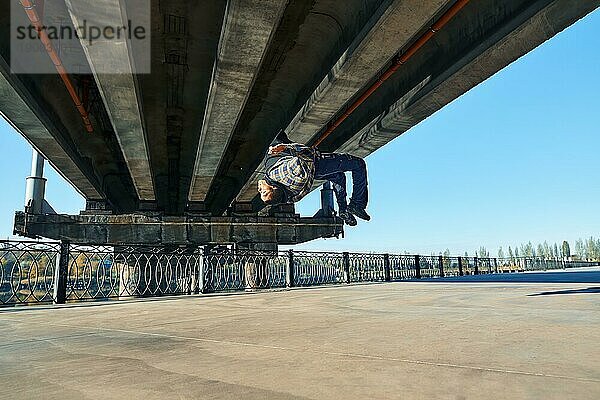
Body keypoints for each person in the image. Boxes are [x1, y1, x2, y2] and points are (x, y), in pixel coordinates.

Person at [257, 131, 370, 226]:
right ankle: (357, 204)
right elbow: (308, 154)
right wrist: (286, 148)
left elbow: (302, 191)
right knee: (358, 164)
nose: (259, 189)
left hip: (315, 173)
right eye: (263, 191)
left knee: (338, 176)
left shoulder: (288, 196)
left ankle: (343, 209)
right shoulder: (285, 173)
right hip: (319, 164)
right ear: (273, 186)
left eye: (260, 192)